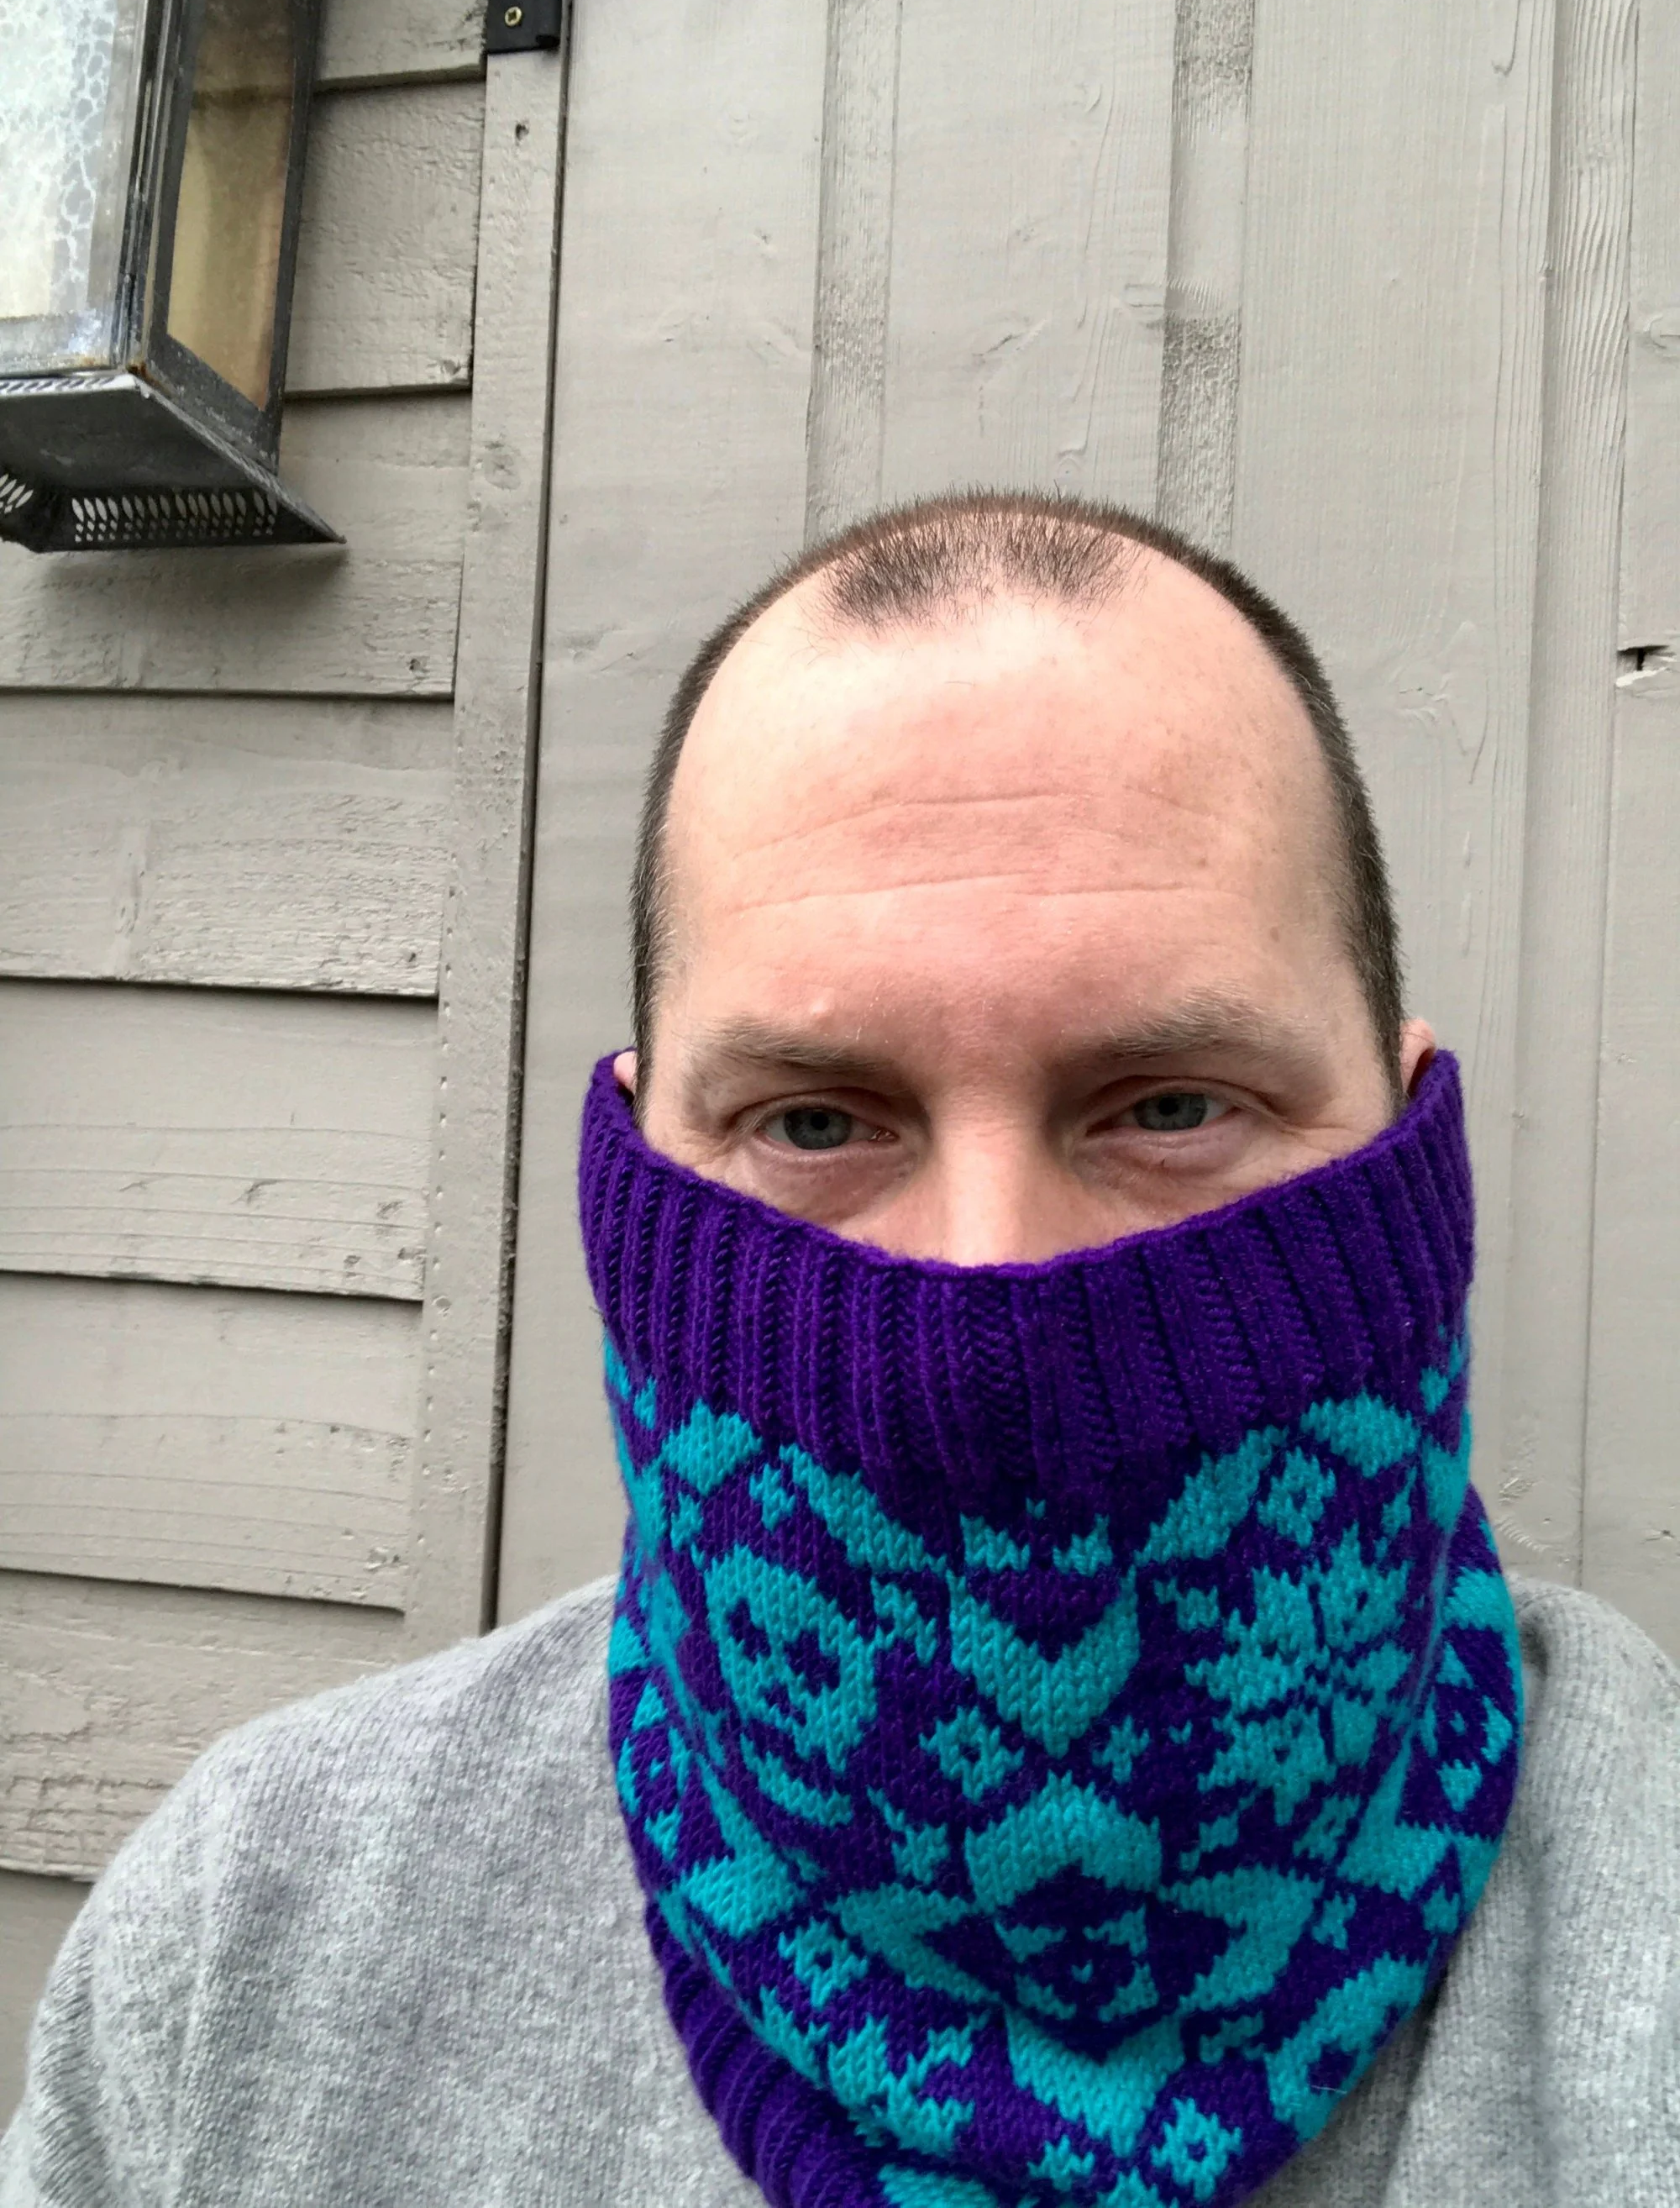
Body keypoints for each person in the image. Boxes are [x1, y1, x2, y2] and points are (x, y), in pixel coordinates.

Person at [4, 496, 1677, 2208]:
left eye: (1173, 1106)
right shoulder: (246, 1941)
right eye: (814, 1120)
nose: (990, 1282)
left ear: (1403, 1140)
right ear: (643, 1167)